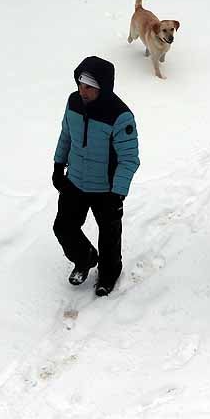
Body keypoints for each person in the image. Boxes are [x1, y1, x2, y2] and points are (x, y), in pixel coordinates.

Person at [53, 56, 140, 297]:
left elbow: (129, 159)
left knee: (109, 236)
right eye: (81, 84)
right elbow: (66, 135)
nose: (83, 91)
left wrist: (118, 192)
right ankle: (85, 258)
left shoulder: (120, 116)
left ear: (103, 87)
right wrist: (58, 165)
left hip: (106, 188)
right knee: (63, 227)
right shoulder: (73, 103)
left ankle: (108, 274)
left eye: (89, 87)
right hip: (76, 181)